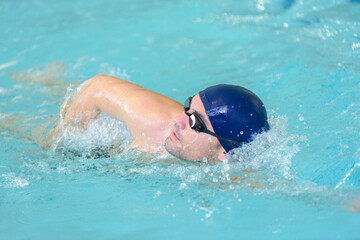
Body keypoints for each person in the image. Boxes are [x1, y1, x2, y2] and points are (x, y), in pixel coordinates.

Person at [50, 74, 269, 163]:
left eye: (195, 123)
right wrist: (58, 145)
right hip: (104, 132)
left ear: (224, 153)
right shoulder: (153, 123)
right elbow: (96, 87)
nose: (178, 120)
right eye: (187, 109)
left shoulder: (236, 174)